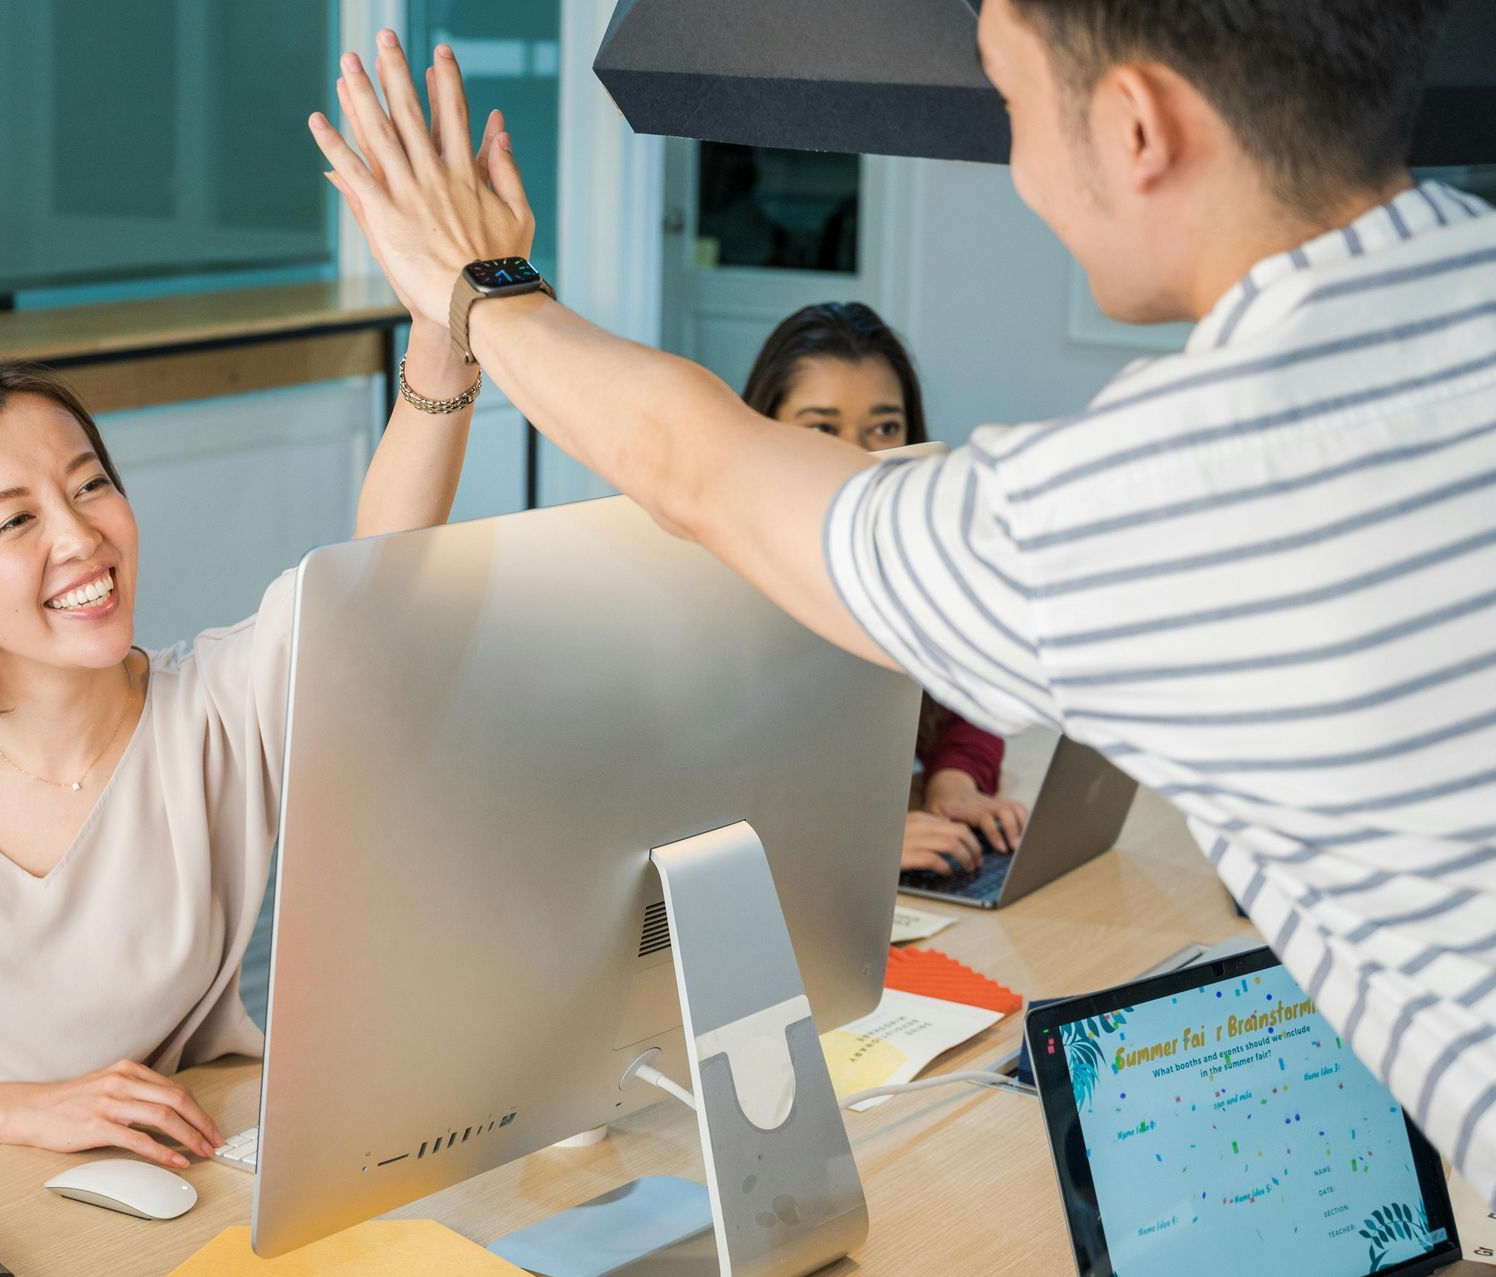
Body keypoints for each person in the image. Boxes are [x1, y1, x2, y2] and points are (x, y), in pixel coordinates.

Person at [308, 2, 1496, 1202]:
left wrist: (481, 287)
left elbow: (698, 466)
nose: (1022, 172)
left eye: (1012, 107)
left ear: (1135, 127)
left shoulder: (1171, 488)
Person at [0, 223, 509, 1232]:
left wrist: (446, 339)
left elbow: (372, 577)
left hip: (130, 1212)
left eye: (89, 483)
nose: (83, 535)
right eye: (16, 519)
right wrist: (30, 1109)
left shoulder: (211, 711)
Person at [744, 301, 1028, 873]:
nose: (861, 457)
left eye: (886, 428)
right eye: (823, 428)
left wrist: (955, 783)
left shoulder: (920, 551)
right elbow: (697, 787)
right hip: (792, 877)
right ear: (761, 429)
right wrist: (855, 841)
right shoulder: (723, 580)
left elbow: (967, 699)